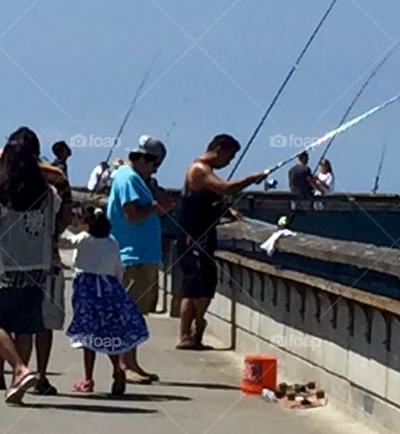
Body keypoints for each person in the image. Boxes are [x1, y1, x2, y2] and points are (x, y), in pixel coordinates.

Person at [0, 127, 71, 396]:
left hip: (4, 268)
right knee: (26, 327)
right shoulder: (49, 194)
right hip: (38, 268)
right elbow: (59, 224)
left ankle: (19, 369)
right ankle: (19, 381)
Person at [176, 134, 267, 349]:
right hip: (193, 235)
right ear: (219, 149)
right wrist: (251, 179)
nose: (229, 162)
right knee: (193, 286)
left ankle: (196, 329)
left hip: (203, 234)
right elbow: (225, 188)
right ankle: (186, 335)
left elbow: (212, 197)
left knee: (206, 283)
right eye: (230, 156)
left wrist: (227, 210)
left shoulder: (207, 171)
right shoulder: (199, 169)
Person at [106, 135, 172, 384]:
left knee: (135, 313)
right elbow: (131, 214)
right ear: (145, 159)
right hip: (132, 255)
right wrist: (155, 207)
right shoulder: (129, 178)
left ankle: (131, 361)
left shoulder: (134, 178)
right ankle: (125, 364)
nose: (155, 170)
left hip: (141, 253)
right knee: (129, 312)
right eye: (155, 165)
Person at [65, 207, 148, 395]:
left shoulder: (84, 239)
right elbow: (119, 269)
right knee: (109, 333)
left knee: (88, 335)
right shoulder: (112, 241)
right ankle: (118, 368)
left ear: (86, 224)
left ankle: (88, 378)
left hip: (86, 290)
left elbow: (65, 242)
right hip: (109, 289)